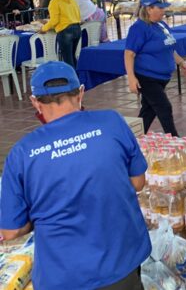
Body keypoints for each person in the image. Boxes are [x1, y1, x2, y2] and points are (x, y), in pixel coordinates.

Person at [1, 61, 151, 289]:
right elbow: (138, 182)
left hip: (63, 275)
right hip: (122, 263)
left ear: (35, 102)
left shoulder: (21, 154)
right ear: (80, 92)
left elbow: (10, 231)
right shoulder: (112, 122)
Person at [124, 0, 186, 136]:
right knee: (163, 107)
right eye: (160, 8)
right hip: (147, 77)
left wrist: (181, 62)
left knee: (148, 111)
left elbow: (168, 48)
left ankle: (131, 139)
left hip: (161, 77)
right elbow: (129, 54)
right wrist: (131, 78)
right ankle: (174, 138)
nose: (163, 11)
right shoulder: (139, 28)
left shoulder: (161, 25)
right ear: (149, 9)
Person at [40, 0, 82, 68]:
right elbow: (78, 14)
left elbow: (55, 20)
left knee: (68, 60)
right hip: (77, 28)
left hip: (65, 31)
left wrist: (44, 28)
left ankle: (71, 80)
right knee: (72, 57)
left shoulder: (55, 1)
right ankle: (77, 78)